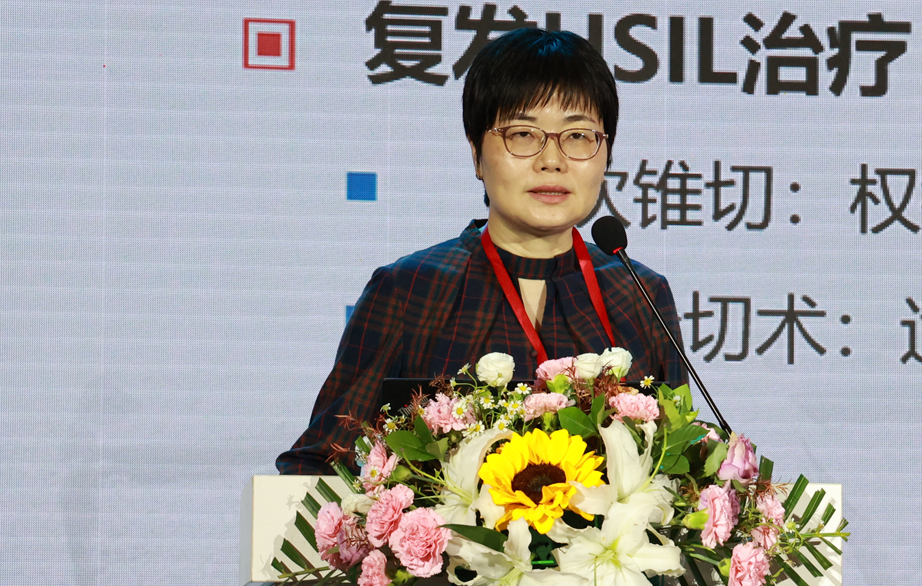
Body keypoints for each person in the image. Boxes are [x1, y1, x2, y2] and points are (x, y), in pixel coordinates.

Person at [277, 28, 685, 475]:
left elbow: (678, 467)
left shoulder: (639, 294)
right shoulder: (412, 289)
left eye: (578, 136)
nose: (552, 160)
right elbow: (321, 463)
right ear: (476, 153)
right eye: (523, 134)